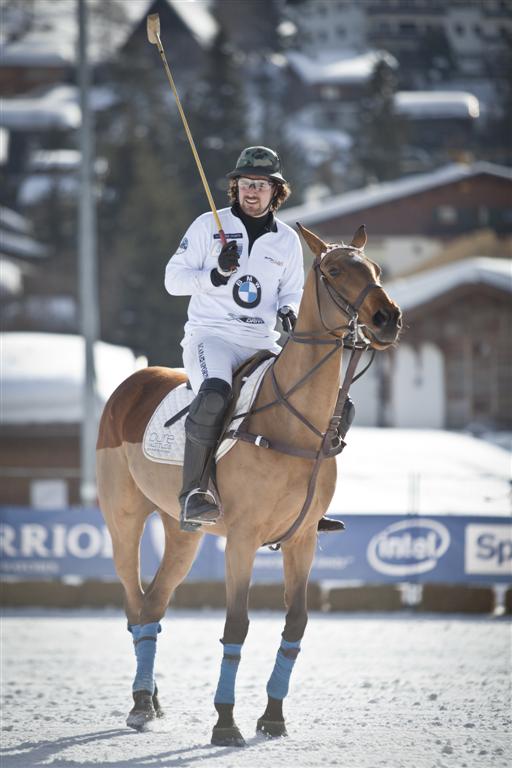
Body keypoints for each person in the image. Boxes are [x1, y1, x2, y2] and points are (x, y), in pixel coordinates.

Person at [165, 146, 344, 533]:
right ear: (235, 187)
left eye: (261, 185)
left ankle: (310, 502)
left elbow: (291, 291)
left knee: (324, 400)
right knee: (214, 394)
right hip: (210, 335)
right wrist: (214, 273)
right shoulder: (207, 226)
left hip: (260, 340)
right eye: (246, 184)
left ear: (275, 192)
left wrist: (289, 311)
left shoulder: (286, 240)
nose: (252, 191)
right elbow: (172, 280)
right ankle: (194, 493)